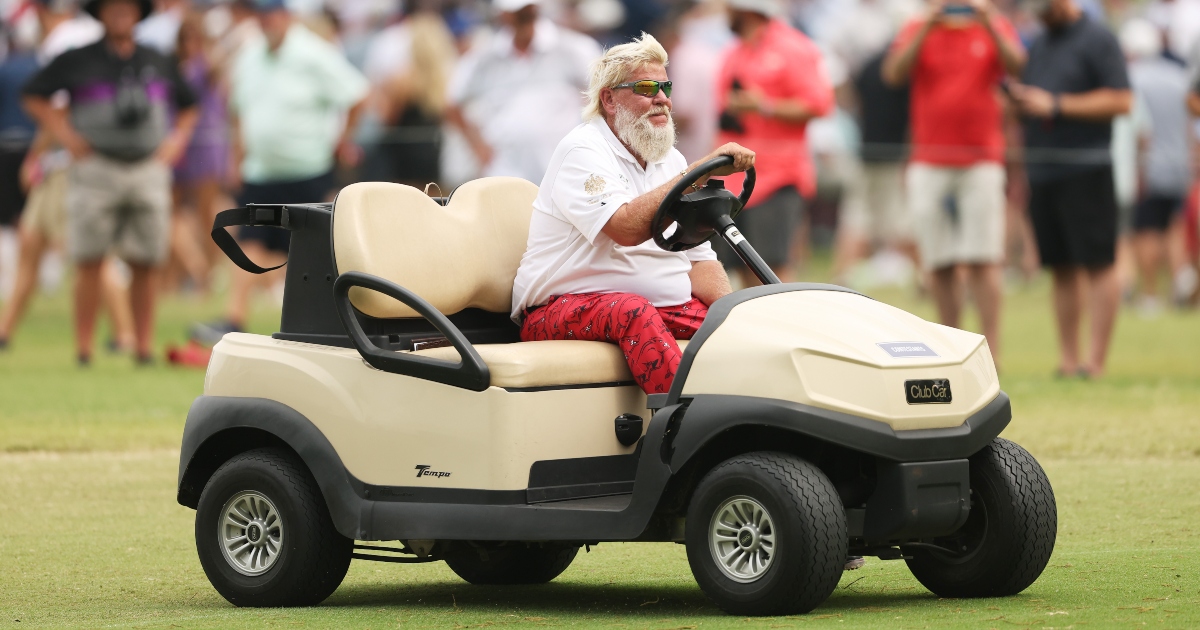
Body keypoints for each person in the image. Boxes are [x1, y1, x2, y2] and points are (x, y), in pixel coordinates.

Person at [511, 33, 751, 396]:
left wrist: (733, 317)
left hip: (657, 307)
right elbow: (623, 228)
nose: (662, 99)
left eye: (665, 86)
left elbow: (700, 262)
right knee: (631, 311)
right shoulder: (582, 150)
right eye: (646, 87)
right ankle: (685, 427)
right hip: (554, 310)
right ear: (609, 99)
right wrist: (697, 173)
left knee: (747, 326)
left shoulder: (670, 159)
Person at [21, 0, 199, 364]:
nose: (120, 12)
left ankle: (143, 346)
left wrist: (177, 140)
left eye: (128, 7)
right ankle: (84, 349)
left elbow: (189, 104)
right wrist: (65, 136)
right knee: (89, 257)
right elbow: (34, 95)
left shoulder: (156, 57)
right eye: (112, 7)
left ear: (138, 14)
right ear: (100, 14)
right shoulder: (78, 58)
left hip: (147, 167)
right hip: (96, 167)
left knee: (146, 259)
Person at [191, 0, 367, 343]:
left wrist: (340, 141)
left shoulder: (314, 53)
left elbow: (357, 95)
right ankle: (233, 316)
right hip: (261, 170)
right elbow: (239, 109)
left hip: (307, 169)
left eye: (273, 12)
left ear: (287, 15)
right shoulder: (251, 54)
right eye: (262, 13)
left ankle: (327, 320)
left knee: (314, 250)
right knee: (252, 240)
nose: (267, 20)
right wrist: (237, 157)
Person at [882, 0, 1025, 363]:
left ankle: (991, 350)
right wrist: (928, 24)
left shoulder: (990, 24)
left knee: (984, 258)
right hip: (929, 158)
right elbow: (894, 74)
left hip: (981, 157)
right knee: (938, 258)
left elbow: (1018, 64)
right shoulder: (919, 26)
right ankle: (952, 346)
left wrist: (989, 20)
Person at [1008, 0, 1131, 377]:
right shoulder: (1040, 43)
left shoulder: (1098, 38)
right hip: (1044, 169)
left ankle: (1094, 362)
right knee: (1059, 266)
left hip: (1087, 167)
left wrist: (1056, 105)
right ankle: (1067, 359)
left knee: (1097, 262)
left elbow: (1121, 100)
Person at [714, 0, 834, 285]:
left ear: (747, 9)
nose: (725, 12)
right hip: (735, 178)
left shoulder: (792, 47)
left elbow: (819, 104)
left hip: (777, 177)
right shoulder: (734, 51)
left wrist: (764, 106)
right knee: (742, 267)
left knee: (772, 270)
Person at [444, 0, 600, 183]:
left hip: (564, 173)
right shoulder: (484, 57)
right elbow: (452, 105)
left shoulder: (575, 48)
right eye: (519, 12)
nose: (525, 17)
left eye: (528, 11)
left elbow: (603, 96)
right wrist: (479, 148)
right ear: (503, 15)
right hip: (503, 173)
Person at [1120, 20, 1192, 315]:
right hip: (1179, 165)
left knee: (1146, 231)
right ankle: (1180, 280)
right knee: (1173, 227)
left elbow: (1139, 131)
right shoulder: (1180, 77)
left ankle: (1151, 294)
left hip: (1148, 168)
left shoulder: (1132, 79)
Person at [833, 47, 915, 285]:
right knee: (900, 220)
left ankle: (841, 276)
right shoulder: (906, 68)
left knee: (857, 217)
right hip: (893, 157)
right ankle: (926, 278)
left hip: (866, 152)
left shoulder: (868, 64)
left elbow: (854, 102)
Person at [361, 6, 457, 186]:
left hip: (401, 158)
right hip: (434, 155)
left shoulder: (401, 80)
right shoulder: (448, 81)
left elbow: (386, 119)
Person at [168, 11, 227, 291]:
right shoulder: (176, 68)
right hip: (180, 145)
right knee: (172, 211)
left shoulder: (208, 68)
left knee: (207, 214)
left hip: (205, 144)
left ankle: (206, 273)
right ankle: (191, 269)